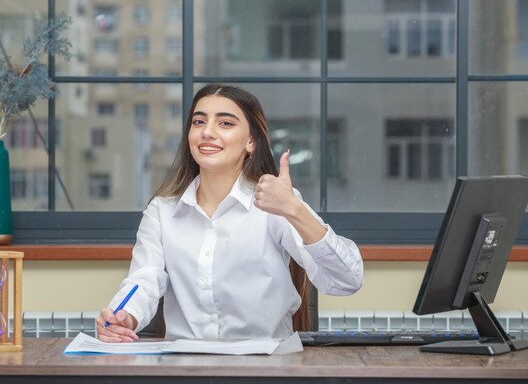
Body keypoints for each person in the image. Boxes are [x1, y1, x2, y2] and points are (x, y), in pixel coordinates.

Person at [96, 84, 363, 342]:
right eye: (199, 122)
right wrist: (123, 318)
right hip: (186, 366)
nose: (207, 132)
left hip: (266, 367)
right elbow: (145, 279)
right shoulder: (161, 212)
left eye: (225, 123)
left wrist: (294, 209)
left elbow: (347, 281)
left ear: (251, 142)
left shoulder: (276, 204)